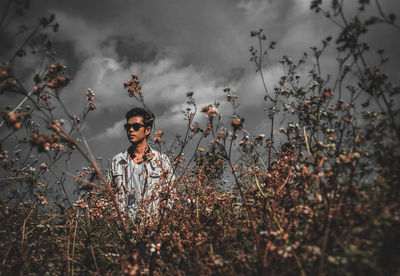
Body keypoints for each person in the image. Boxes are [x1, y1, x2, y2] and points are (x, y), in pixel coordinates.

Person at [110, 107, 174, 221]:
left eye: (135, 126)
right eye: (127, 127)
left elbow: (171, 195)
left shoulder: (161, 160)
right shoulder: (117, 161)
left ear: (147, 130)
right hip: (125, 230)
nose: (130, 130)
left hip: (153, 229)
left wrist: (162, 224)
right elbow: (109, 197)